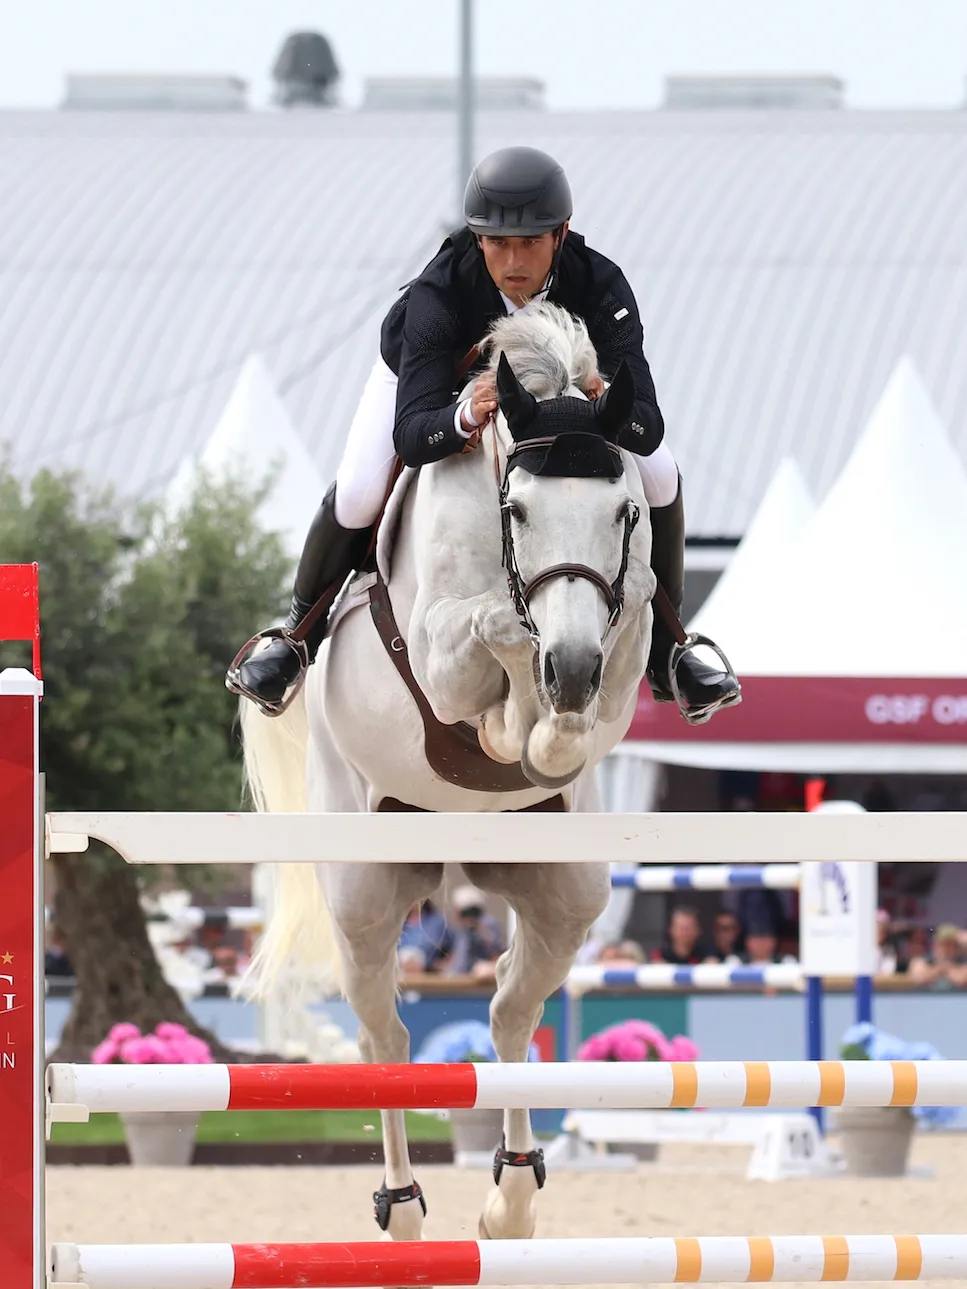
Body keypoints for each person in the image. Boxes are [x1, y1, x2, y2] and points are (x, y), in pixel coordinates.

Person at [229, 145, 740, 725]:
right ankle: (296, 639)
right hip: (433, 381)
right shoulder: (440, 293)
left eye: (531, 242)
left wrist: (605, 397)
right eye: (497, 242)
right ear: (476, 238)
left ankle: (670, 650)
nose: (514, 261)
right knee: (359, 492)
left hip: (559, 401)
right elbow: (414, 435)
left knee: (663, 475)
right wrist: (464, 415)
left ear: (563, 233)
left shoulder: (601, 284)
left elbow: (646, 426)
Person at [446, 885, 505, 978]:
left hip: (479, 979)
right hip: (459, 978)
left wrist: (478, 928)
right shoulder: (462, 929)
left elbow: (495, 951)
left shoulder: (488, 923)